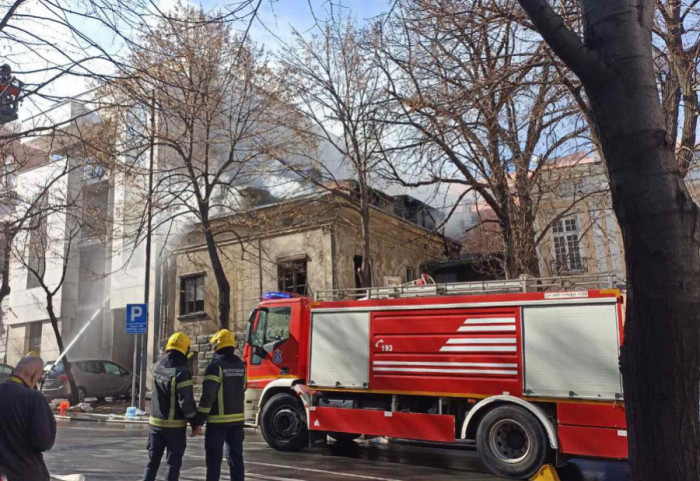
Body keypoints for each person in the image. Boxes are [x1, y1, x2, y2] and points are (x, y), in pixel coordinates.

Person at [143, 332, 198, 481]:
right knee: (172, 465)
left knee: (151, 463)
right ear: (184, 349)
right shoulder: (181, 372)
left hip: (155, 425)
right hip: (174, 428)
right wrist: (195, 423)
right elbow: (186, 402)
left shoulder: (157, 366)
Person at [193, 329, 246, 481]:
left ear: (217, 346)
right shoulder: (241, 366)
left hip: (217, 423)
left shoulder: (215, 367)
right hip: (237, 422)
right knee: (236, 460)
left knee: (214, 462)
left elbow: (208, 397)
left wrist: (198, 421)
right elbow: (243, 387)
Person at [0, 355, 56, 481]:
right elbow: (43, 442)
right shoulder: (33, 399)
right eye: (39, 377)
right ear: (34, 375)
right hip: (25, 472)